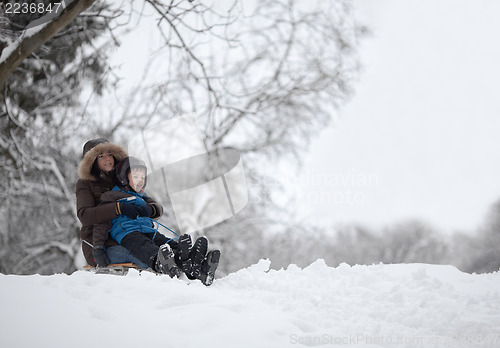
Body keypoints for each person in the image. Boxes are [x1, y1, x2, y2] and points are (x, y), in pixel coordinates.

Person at [95, 156, 221, 285]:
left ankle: (194, 263)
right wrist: (98, 247)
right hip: (127, 232)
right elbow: (101, 222)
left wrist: (148, 210)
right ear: (123, 177)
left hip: (148, 230)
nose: (140, 181)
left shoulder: (142, 197)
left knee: (167, 242)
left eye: (143, 177)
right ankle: (160, 262)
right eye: (136, 177)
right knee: (145, 246)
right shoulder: (112, 196)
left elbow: (157, 208)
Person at [76, 138, 150, 268]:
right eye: (101, 156)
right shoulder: (85, 183)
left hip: (128, 235)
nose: (108, 159)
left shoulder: (121, 179)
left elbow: (151, 203)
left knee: (156, 250)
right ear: (92, 161)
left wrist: (150, 209)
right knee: (142, 258)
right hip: (98, 245)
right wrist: (118, 208)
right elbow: (85, 215)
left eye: (110, 154)